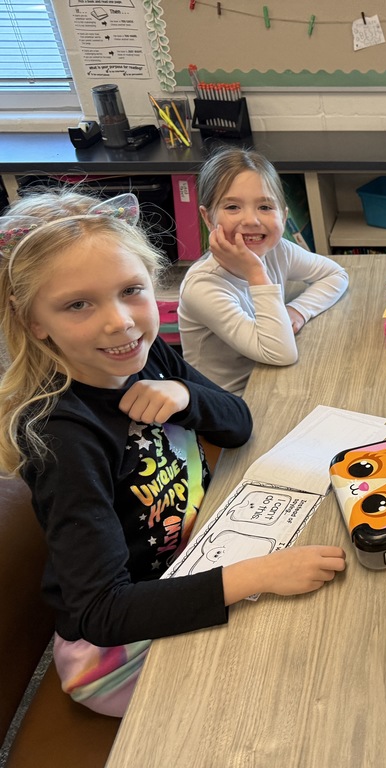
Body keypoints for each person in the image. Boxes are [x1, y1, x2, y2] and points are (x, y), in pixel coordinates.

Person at [0, 190, 346, 717]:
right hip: (115, 655)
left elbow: (238, 424)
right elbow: (102, 612)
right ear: (34, 322)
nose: (120, 322)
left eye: (131, 291)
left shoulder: (144, 354)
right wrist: (259, 575)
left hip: (194, 559)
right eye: (78, 304)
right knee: (304, 688)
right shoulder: (65, 438)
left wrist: (185, 395)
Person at [178, 147, 349, 395]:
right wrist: (255, 273)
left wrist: (298, 310)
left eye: (265, 207)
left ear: (284, 215)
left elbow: (336, 275)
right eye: (233, 207)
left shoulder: (278, 250)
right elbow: (280, 353)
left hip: (274, 383)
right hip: (232, 401)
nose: (251, 220)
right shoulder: (202, 286)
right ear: (208, 218)